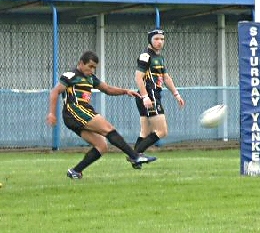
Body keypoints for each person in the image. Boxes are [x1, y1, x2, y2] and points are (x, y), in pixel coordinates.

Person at [46, 51, 156, 179]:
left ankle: (75, 171)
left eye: (94, 68)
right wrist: (52, 113)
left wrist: (125, 91)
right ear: (81, 63)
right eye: (90, 66)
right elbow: (55, 92)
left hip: (80, 113)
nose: (92, 70)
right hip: (75, 110)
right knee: (108, 128)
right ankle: (134, 156)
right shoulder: (71, 75)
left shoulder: (91, 78)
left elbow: (107, 89)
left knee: (102, 146)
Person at [130, 29, 185, 168]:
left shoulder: (159, 58)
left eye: (162, 39)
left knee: (145, 132)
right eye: (156, 39)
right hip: (149, 95)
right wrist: (145, 97)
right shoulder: (145, 56)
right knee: (162, 131)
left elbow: (165, 77)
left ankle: (136, 162)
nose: (160, 42)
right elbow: (138, 77)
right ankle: (135, 155)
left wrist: (176, 94)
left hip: (152, 95)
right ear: (150, 40)